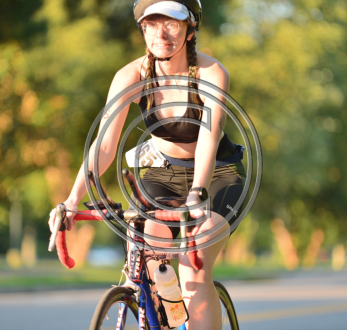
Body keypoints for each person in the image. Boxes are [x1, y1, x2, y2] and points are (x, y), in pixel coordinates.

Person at [48, 1, 246, 329]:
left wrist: (197, 192)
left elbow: (208, 141)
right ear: (142, 29)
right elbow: (105, 146)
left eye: (172, 23)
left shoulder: (211, 73)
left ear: (190, 28)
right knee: (152, 253)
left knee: (193, 267)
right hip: (162, 175)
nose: (161, 33)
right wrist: (71, 201)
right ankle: (168, 318)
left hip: (215, 176)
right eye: (151, 24)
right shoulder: (131, 76)